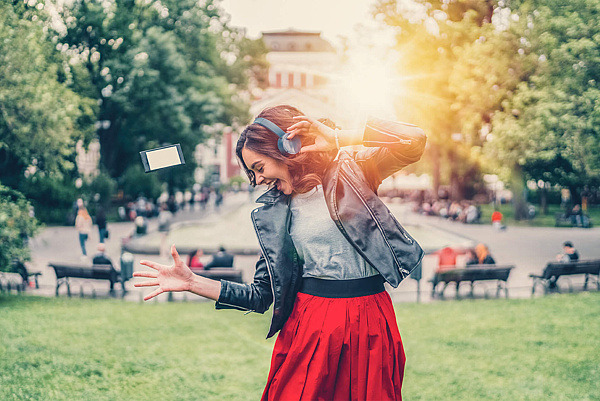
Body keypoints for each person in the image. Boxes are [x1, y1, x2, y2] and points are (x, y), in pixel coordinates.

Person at [133, 105, 427, 400]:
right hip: (310, 323)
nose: (258, 180)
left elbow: (414, 140)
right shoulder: (276, 213)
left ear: (288, 148)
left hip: (369, 319)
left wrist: (338, 138)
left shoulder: (354, 171)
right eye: (252, 173)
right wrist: (192, 282)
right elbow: (260, 296)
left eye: (259, 168)